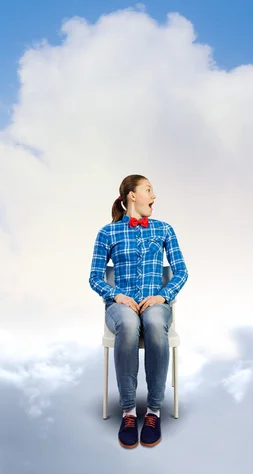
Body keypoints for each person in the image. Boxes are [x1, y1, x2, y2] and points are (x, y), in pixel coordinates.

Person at [88, 174, 188, 449]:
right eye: (148, 190)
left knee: (155, 323)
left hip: (155, 303)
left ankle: (154, 411)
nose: (154, 196)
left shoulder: (164, 229)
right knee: (129, 326)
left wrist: (163, 295)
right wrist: (115, 295)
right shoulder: (107, 233)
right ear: (132, 195)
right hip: (121, 306)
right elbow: (95, 277)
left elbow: (181, 272)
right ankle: (129, 412)